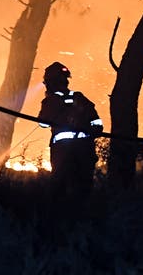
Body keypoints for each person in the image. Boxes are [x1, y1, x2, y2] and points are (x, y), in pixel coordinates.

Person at [37, 61, 103, 199]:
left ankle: (62, 216)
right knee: (84, 188)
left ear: (50, 82)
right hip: (85, 148)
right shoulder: (79, 97)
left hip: (63, 151)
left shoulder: (52, 100)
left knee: (59, 188)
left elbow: (43, 124)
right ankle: (83, 215)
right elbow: (97, 124)